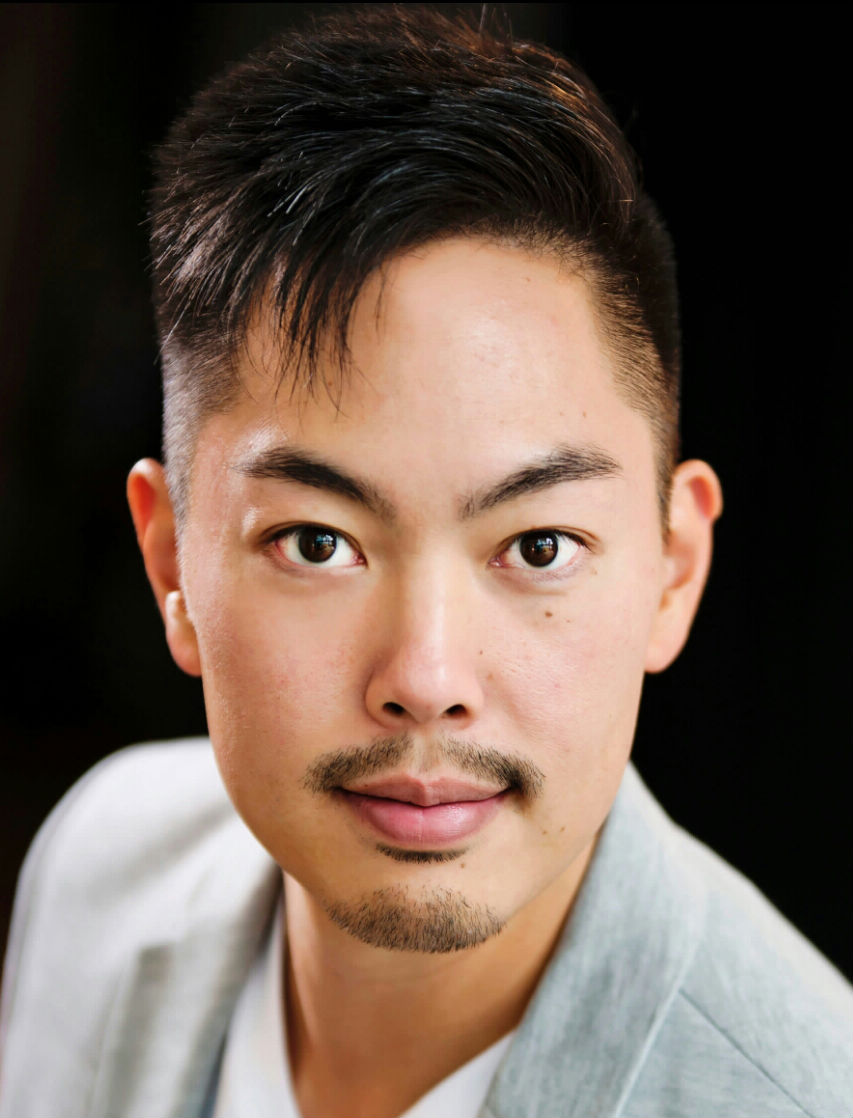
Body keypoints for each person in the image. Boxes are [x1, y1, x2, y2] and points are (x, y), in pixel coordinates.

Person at [0, 7, 850, 1117]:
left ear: (673, 568)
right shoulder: (100, 867)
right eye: (318, 542)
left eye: (537, 546)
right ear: (169, 562)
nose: (426, 676)